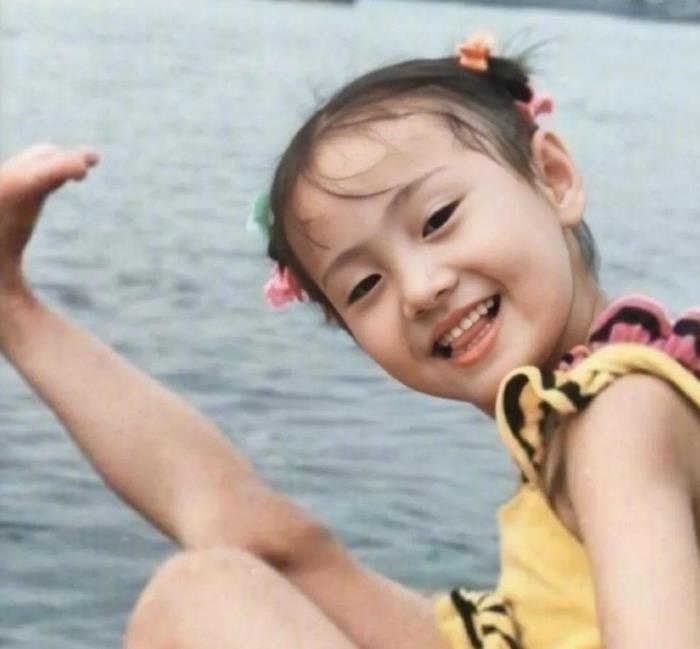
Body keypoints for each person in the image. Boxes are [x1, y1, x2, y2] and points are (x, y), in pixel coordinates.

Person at [1, 34, 699, 649]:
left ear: (554, 178)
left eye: (438, 219)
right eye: (365, 287)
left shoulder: (618, 417)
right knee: (265, 559)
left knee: (201, 600)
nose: (418, 289)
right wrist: (15, 309)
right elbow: (239, 523)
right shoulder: (589, 412)